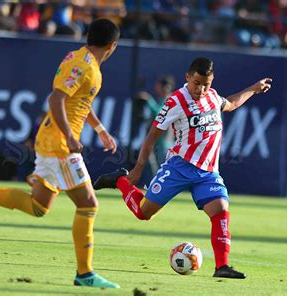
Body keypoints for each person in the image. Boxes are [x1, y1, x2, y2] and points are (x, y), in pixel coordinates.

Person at [0, 18, 120, 289]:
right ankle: (85, 273)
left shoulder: (83, 61)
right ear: (113, 45)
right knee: (88, 204)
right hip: (59, 144)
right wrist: (71, 136)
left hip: (53, 140)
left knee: (38, 207)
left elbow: (80, 101)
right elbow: (56, 99)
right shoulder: (84, 65)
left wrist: (99, 129)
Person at [93, 57, 272, 279]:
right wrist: (138, 168)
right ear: (188, 77)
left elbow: (232, 103)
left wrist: (253, 89)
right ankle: (119, 180)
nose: (201, 88)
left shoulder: (213, 97)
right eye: (197, 82)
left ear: (212, 80)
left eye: (206, 83)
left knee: (221, 210)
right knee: (143, 212)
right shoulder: (175, 101)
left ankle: (222, 267)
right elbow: (152, 136)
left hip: (207, 173)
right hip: (179, 168)